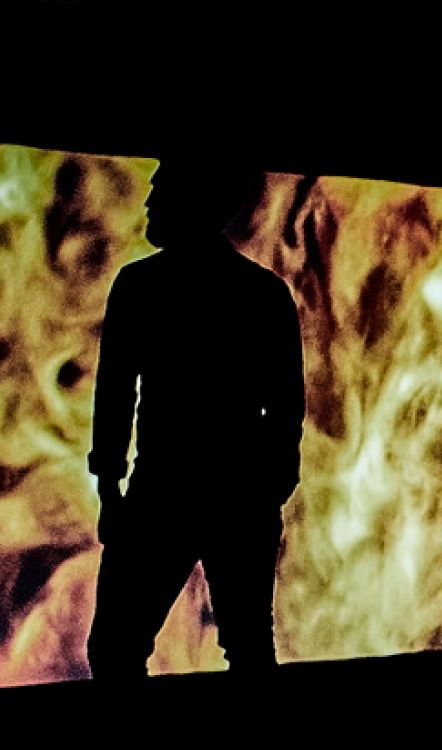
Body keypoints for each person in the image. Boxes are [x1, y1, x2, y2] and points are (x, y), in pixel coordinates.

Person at [86, 159, 304, 686]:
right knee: (250, 648)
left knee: (115, 647)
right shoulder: (264, 293)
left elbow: (115, 393)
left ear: (191, 204)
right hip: (238, 495)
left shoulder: (140, 286)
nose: (148, 203)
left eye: (159, 192)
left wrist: (111, 489)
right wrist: (271, 486)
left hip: (162, 491)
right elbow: (286, 408)